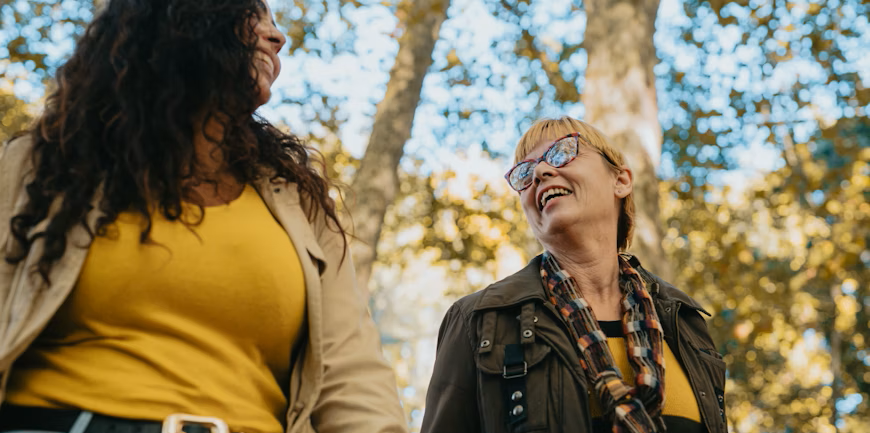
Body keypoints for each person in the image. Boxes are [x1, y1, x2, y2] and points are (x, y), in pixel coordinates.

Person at [0, 1, 407, 432]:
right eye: (256, 16)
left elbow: (354, 380)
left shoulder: (301, 204)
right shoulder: (38, 167)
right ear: (184, 18)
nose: (278, 37)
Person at [421, 116, 727, 433]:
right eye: (524, 173)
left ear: (620, 181)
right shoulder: (480, 320)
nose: (540, 172)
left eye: (561, 152)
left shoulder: (684, 321)